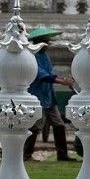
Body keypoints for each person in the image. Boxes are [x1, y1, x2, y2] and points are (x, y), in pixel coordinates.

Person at [24, 27, 76, 161]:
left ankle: (62, 155)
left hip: (48, 96)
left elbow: (50, 74)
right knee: (35, 126)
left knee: (59, 125)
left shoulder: (45, 56)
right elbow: (42, 75)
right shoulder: (32, 57)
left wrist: (63, 79)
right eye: (47, 42)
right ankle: (26, 154)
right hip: (37, 96)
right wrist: (61, 81)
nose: (48, 44)